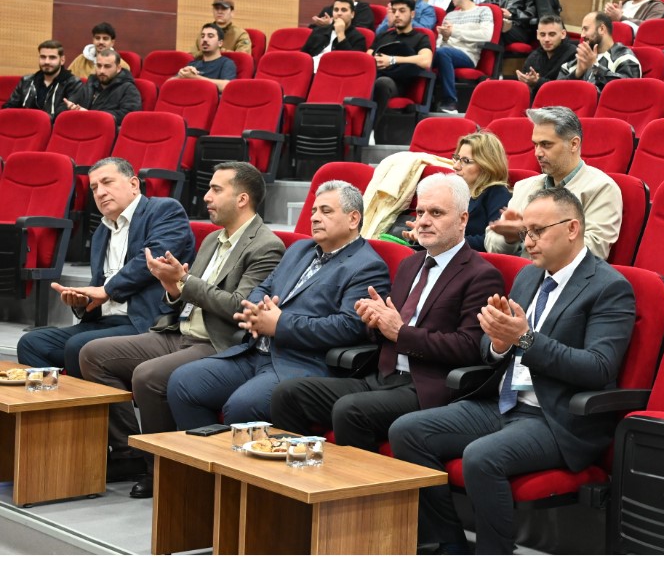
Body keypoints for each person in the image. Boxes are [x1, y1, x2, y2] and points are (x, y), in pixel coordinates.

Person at [389, 187, 636, 555]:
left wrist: (525, 339)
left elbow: (598, 368)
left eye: (537, 231)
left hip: (554, 416)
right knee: (407, 431)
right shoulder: (527, 277)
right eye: (526, 233)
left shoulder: (608, 288)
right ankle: (450, 542)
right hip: (502, 403)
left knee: (481, 457)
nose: (529, 241)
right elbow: (493, 349)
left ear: (572, 228)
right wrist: (499, 343)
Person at [78, 162, 284, 498]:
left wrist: (184, 281)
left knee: (147, 375)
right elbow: (182, 297)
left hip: (218, 343)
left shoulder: (266, 246)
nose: (206, 197)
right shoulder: (212, 240)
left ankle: (157, 469)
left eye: (216, 190)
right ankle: (131, 450)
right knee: (94, 355)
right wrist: (171, 286)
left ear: (243, 198)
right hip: (178, 330)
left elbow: (238, 308)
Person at [269, 174, 505, 451]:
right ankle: (300, 480)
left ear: (463, 220)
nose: (424, 221)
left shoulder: (481, 275)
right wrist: (374, 321)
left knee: (350, 410)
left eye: (436, 213)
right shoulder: (410, 264)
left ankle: (360, 492)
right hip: (381, 377)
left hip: (428, 387)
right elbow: (387, 325)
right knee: (288, 394)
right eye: (420, 212)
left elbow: (469, 347)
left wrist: (401, 333)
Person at [166, 181, 390, 428]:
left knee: (242, 405)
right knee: (183, 382)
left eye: (326, 211)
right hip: (254, 352)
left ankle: (234, 466)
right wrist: (254, 311)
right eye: (314, 211)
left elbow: (348, 327)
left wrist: (280, 324)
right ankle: (202, 465)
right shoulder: (300, 250)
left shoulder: (367, 266)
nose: (315, 218)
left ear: (353, 219)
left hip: (301, 365)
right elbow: (263, 288)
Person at [17, 157, 195, 380]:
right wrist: (83, 303)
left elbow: (152, 260)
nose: (100, 192)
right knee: (32, 343)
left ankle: (87, 413)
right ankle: (53, 411)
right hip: (106, 322)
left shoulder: (164, 210)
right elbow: (98, 286)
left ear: (133, 184)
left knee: (79, 346)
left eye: (107, 182)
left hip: (146, 323)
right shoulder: (101, 232)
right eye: (94, 187)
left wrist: (106, 290)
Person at [486, 107, 622, 260]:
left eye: (546, 144)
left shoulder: (601, 188)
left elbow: (593, 251)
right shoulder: (524, 186)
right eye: (535, 144)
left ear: (574, 144)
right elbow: (491, 244)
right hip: (520, 278)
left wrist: (527, 232)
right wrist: (509, 238)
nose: (537, 153)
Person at [370, 0, 435, 129]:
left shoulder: (420, 37)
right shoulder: (383, 36)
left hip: (397, 84)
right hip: (374, 77)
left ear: (412, 14)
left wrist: (392, 60)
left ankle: (370, 130)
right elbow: (366, 58)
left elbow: (426, 61)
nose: (397, 15)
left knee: (382, 82)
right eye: (394, 11)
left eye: (402, 11)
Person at [433, 0, 494, 113]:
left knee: (443, 53)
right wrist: (445, 37)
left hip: (467, 55)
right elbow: (440, 44)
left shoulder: (483, 11)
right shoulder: (450, 16)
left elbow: (486, 35)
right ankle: (427, 100)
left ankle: (450, 102)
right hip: (446, 52)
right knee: (428, 53)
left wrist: (454, 31)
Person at [557, 11, 640, 90]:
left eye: (586, 29)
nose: (582, 35)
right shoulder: (580, 60)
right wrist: (576, 74)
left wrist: (595, 67)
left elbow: (628, 89)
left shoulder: (625, 58)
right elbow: (555, 90)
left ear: (601, 29)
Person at [3, 40, 85, 115]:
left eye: (52, 57)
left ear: (62, 60)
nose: (46, 62)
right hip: (24, 127)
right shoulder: (26, 81)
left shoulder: (73, 83)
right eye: (43, 57)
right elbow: (8, 108)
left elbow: (62, 115)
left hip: (54, 129)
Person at [66, 49, 142, 124]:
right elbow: (73, 101)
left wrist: (90, 114)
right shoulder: (91, 83)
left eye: (107, 66)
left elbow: (128, 115)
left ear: (118, 68)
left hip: (106, 132)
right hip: (82, 127)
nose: (102, 71)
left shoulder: (128, 88)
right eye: (99, 66)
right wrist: (72, 107)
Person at [514, 15, 577, 99]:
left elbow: (564, 88)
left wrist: (537, 81)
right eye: (542, 34)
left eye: (552, 34)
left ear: (563, 34)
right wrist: (525, 81)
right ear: (537, 35)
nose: (546, 39)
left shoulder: (573, 53)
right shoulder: (533, 57)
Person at [301, 0, 368, 71]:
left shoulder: (358, 38)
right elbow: (303, 56)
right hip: (309, 72)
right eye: (336, 10)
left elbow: (352, 64)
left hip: (335, 75)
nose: (339, 13)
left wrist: (341, 35)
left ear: (352, 14)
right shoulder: (318, 31)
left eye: (344, 10)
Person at [176, 23, 237, 92]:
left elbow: (227, 86)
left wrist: (194, 77)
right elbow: (168, 84)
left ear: (220, 43)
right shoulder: (193, 65)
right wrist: (182, 75)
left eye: (210, 36)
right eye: (202, 36)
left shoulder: (226, 63)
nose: (205, 39)